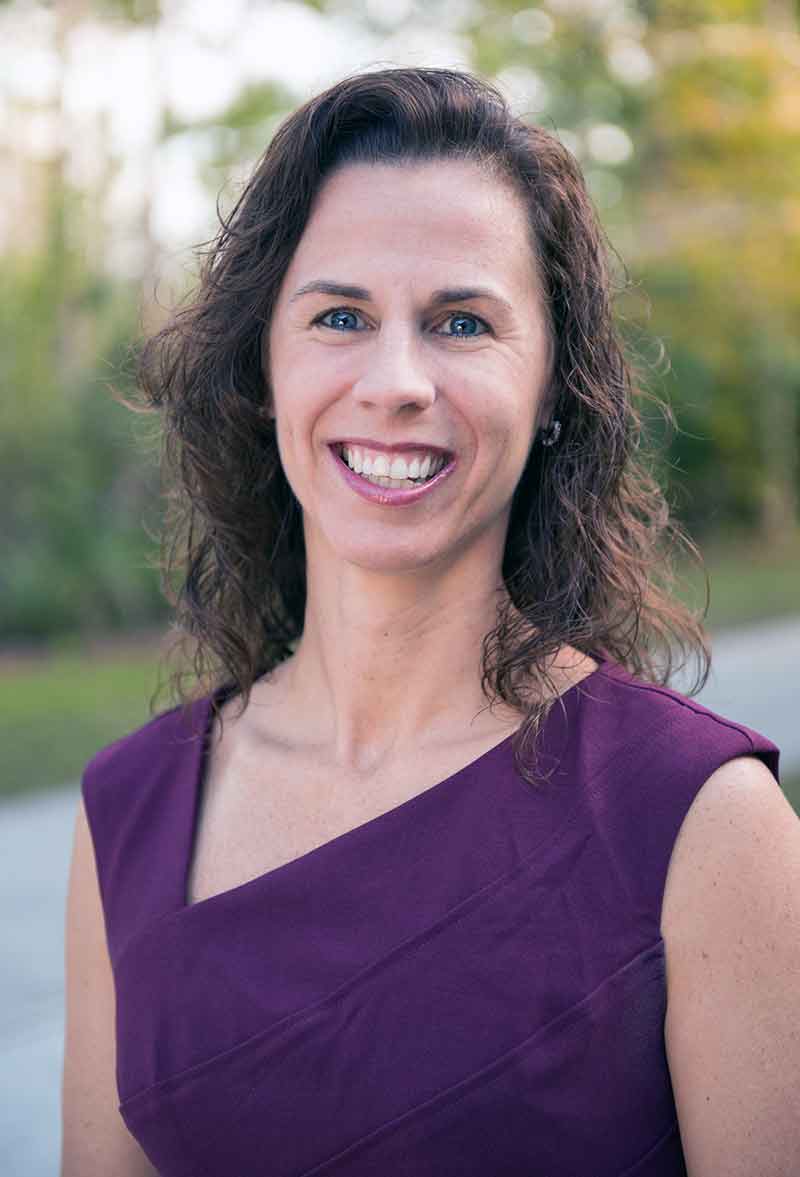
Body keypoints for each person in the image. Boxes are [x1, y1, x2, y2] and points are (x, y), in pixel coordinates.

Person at [61, 66, 799, 1177]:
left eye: (460, 321)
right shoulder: (128, 814)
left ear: (552, 386)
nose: (395, 380)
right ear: (265, 368)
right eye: (340, 316)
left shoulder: (702, 820)